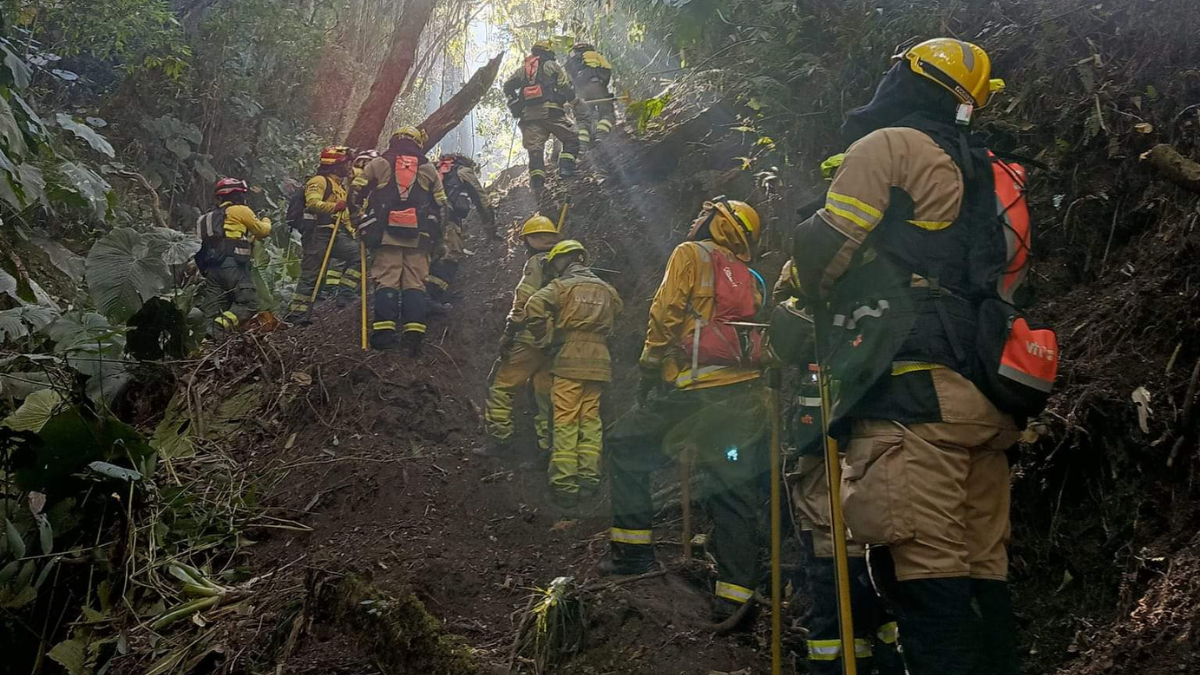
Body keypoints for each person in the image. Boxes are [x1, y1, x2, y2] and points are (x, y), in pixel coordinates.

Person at [791, 38, 1024, 675]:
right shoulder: (994, 175)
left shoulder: (891, 147)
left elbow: (820, 261)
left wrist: (804, 255)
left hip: (914, 406)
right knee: (983, 583)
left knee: (923, 586)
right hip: (986, 402)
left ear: (913, 79)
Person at [601, 196, 768, 623]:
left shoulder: (690, 255)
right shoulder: (751, 277)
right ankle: (736, 598)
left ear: (718, 222)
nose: (699, 217)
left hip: (694, 393)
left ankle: (633, 554)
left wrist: (649, 367)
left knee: (624, 443)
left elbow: (665, 313)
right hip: (743, 398)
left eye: (706, 213)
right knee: (733, 487)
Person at [768, 261, 903, 675]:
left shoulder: (817, 262)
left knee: (831, 561)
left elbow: (783, 332)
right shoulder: (892, 272)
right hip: (879, 435)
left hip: (829, 439)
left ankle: (838, 663)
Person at [524, 239, 622, 509]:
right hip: (600, 361)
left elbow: (533, 306)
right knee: (590, 418)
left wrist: (544, 338)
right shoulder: (607, 289)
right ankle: (590, 477)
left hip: (569, 358)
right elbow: (619, 310)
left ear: (561, 261)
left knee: (566, 419)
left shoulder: (560, 286)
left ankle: (564, 483)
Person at [350, 125, 449, 355]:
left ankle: (384, 335)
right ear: (417, 143)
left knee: (387, 280)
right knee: (415, 282)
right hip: (420, 237)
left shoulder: (380, 163)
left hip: (385, 235)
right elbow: (442, 206)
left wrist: (359, 221)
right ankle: (413, 337)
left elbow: (355, 193)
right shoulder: (428, 169)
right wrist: (440, 238)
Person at [478, 214, 562, 460]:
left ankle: (499, 442)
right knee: (544, 394)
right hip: (557, 341)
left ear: (531, 241)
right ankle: (546, 449)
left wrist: (510, 330)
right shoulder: (565, 266)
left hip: (530, 339)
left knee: (501, 387)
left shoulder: (537, 263)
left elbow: (524, 299)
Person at [285, 145, 361, 321]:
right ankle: (297, 314)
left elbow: (348, 214)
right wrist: (334, 206)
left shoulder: (340, 187)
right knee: (312, 274)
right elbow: (312, 203)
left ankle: (345, 293)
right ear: (335, 164)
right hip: (317, 234)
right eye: (346, 163)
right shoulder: (319, 181)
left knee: (359, 255)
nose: (349, 167)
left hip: (336, 233)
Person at [195, 177, 272, 336]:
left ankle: (207, 345)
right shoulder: (239, 210)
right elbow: (262, 231)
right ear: (238, 195)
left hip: (212, 269)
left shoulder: (210, 217)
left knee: (212, 310)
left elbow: (228, 237)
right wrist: (266, 220)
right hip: (233, 266)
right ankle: (220, 327)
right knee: (248, 303)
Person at [503, 40, 579, 189]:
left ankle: (537, 184)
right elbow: (564, 86)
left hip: (529, 116)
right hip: (551, 112)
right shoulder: (551, 66)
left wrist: (514, 102)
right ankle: (566, 170)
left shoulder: (523, 69)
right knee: (571, 138)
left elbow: (508, 86)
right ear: (548, 51)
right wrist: (574, 101)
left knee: (535, 150)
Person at [428, 153, 496, 308]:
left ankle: (421, 299)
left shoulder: (429, 168)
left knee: (427, 258)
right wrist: (490, 227)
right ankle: (432, 297)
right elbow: (481, 199)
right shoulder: (463, 171)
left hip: (419, 222)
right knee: (451, 255)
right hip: (446, 221)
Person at [564, 42, 615, 153]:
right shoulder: (595, 55)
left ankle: (583, 146)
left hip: (581, 92)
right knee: (607, 113)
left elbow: (568, 80)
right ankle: (600, 136)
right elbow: (607, 70)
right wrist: (602, 84)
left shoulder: (571, 60)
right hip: (597, 86)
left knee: (583, 120)